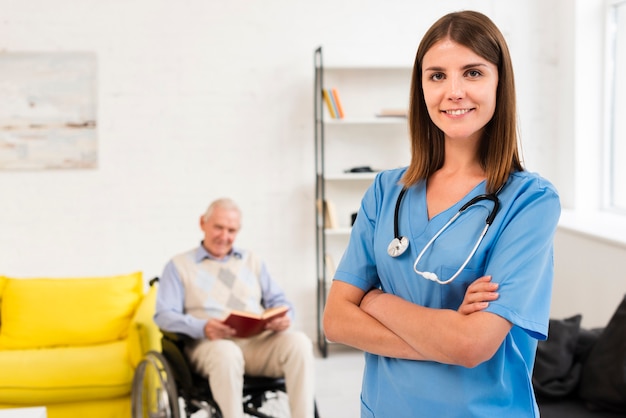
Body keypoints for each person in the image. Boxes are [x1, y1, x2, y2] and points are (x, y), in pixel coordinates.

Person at [323, 10, 561, 418]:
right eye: (437, 75)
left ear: (500, 83)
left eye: (472, 73)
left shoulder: (530, 202)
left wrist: (376, 302)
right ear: (421, 88)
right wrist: (446, 333)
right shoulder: (385, 192)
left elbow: (472, 346)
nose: (453, 91)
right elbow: (335, 321)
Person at [154, 198, 315, 418]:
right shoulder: (179, 266)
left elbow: (280, 301)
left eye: (231, 230)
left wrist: (284, 317)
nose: (224, 236)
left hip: (255, 344)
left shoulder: (253, 261)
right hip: (209, 345)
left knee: (300, 343)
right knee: (227, 353)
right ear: (203, 223)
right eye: (218, 227)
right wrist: (203, 327)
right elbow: (164, 315)